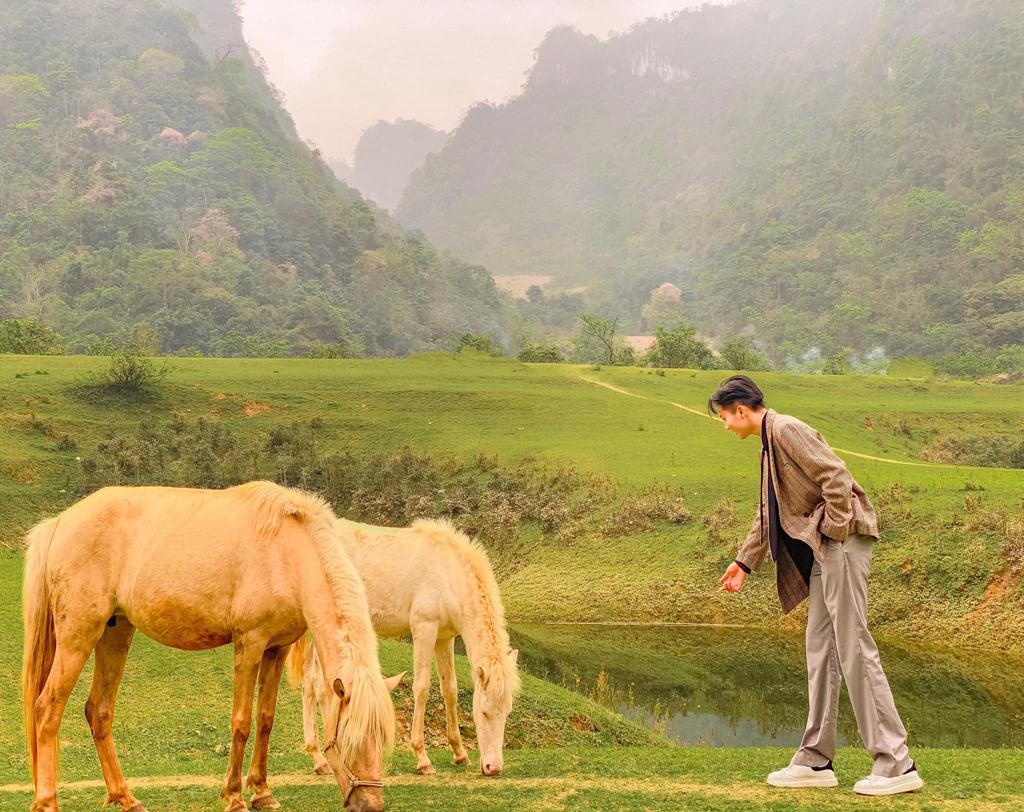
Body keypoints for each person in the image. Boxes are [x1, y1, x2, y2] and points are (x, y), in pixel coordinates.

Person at [710, 375, 923, 797]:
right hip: (829, 546)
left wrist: (836, 531)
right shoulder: (768, 445)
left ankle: (896, 763)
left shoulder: (786, 430)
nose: (724, 425)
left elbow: (837, 478)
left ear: (740, 409)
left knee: (853, 645)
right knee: (821, 648)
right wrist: (743, 562)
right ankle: (815, 759)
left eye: (722, 417)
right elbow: (768, 513)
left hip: (841, 543)